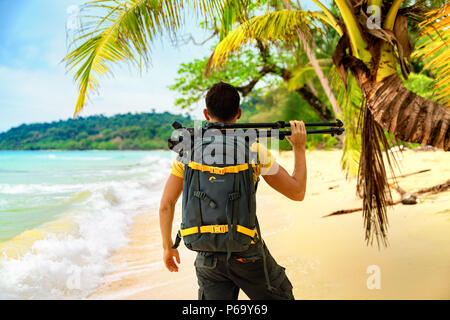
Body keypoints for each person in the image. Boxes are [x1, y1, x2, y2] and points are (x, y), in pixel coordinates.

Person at [159, 81, 307, 300]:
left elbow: (166, 205)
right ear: (238, 113)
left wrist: (168, 247)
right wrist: (299, 148)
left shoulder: (187, 151)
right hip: (247, 251)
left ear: (206, 114)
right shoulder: (254, 150)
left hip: (206, 251)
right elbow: (297, 193)